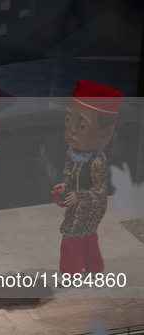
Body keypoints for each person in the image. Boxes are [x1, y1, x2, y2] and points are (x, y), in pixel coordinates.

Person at [53, 80, 122, 277]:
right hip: (78, 200)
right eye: (68, 120)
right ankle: (94, 266)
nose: (71, 131)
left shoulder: (97, 162)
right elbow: (69, 171)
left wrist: (80, 196)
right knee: (88, 235)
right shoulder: (72, 151)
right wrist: (65, 184)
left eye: (82, 126)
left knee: (71, 237)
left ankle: (70, 273)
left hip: (91, 205)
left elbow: (100, 190)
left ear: (105, 133)